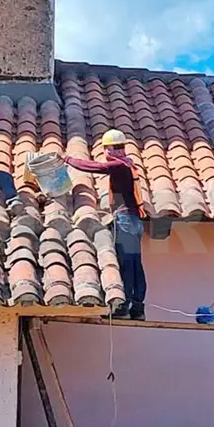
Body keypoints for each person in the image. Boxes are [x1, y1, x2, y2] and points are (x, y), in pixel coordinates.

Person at [61, 130, 149, 320]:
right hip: (134, 220)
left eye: (106, 149)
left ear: (111, 149)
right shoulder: (128, 163)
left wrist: (67, 159)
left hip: (125, 221)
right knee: (135, 264)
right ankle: (138, 308)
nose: (105, 153)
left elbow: (94, 167)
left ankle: (123, 306)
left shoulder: (118, 166)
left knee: (126, 263)